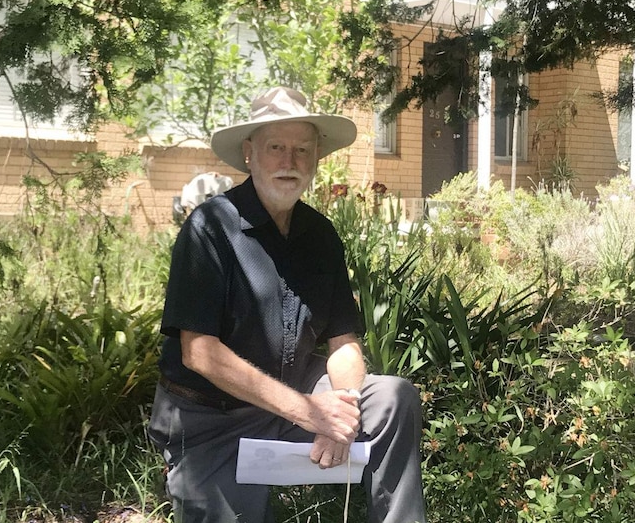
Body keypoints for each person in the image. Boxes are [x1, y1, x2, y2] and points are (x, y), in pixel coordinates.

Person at [147, 87, 426, 523]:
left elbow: (344, 341)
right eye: (276, 147)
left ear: (315, 159)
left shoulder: (320, 235)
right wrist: (312, 413)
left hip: (295, 399)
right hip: (211, 421)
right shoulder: (211, 228)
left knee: (392, 397)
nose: (289, 161)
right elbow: (198, 351)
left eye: (301, 149)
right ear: (249, 154)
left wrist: (344, 412)